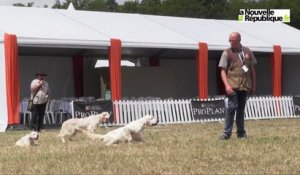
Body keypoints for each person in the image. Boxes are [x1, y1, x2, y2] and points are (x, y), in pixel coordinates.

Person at [218, 32, 257, 140]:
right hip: (232, 85)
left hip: (244, 85)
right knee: (231, 108)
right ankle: (226, 133)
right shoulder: (226, 53)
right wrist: (226, 86)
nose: (231, 42)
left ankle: (241, 133)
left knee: (241, 110)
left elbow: (252, 70)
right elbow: (222, 71)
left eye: (233, 41)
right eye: (229, 40)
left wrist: (253, 85)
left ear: (239, 40)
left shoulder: (248, 51)